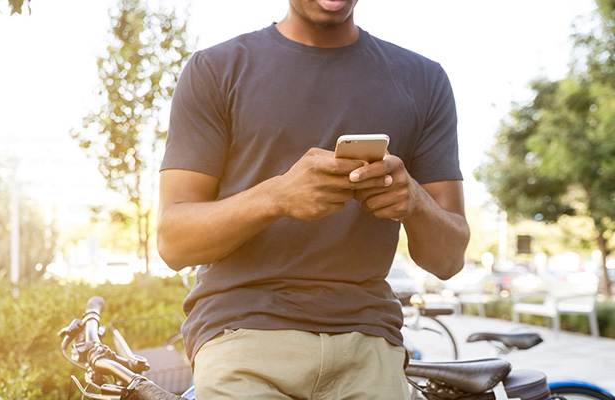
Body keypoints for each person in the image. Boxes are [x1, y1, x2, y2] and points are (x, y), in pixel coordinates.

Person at [157, 0, 470, 398]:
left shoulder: (424, 80)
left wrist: (415, 201)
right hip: (244, 335)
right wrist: (276, 197)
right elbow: (173, 242)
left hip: (369, 343)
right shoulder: (216, 70)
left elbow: (448, 260)